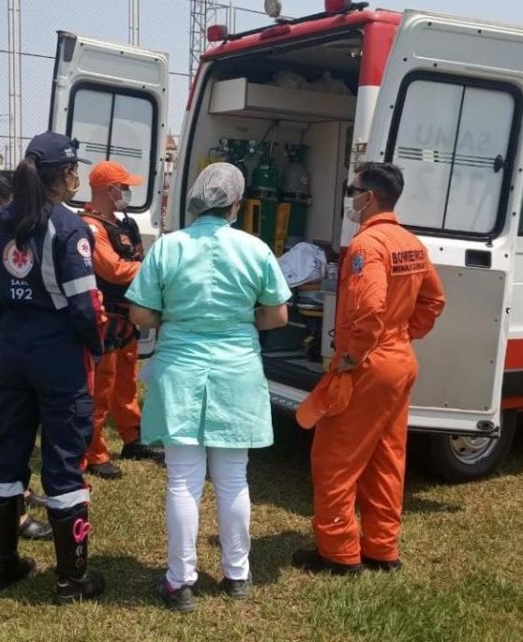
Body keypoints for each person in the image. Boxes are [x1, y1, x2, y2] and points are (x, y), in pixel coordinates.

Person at [127, 162, 291, 613]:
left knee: (183, 478)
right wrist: (240, 321)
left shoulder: (168, 247)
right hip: (237, 367)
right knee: (233, 477)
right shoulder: (255, 249)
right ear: (236, 204)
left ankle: (181, 581)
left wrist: (175, 320)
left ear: (197, 200)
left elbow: (140, 314)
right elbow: (277, 315)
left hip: (179, 365)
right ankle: (237, 574)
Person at [0, 131, 106, 604]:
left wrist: (15, 316)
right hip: (58, 356)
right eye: (75, 169)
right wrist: (96, 347)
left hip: (11, 354)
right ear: (64, 175)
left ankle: (1, 567)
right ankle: (72, 580)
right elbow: (85, 309)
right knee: (64, 465)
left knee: (6, 457)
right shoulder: (69, 227)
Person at [292, 162, 445, 575]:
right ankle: (381, 548)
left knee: (334, 459)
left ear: (369, 197)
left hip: (369, 364)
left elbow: (371, 306)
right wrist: (403, 335)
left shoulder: (367, 246)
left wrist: (353, 356)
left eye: (351, 190)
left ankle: (338, 553)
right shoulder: (411, 242)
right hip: (398, 361)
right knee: (386, 458)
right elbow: (434, 301)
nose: (350, 198)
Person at [0, 166, 50, 540]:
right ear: (2, 201)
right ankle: (14, 514)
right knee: (15, 428)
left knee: (18, 425)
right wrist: (11, 312)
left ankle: (20, 492)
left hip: (8, 340)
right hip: (11, 341)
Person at [80, 160, 163, 480]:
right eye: (123, 186)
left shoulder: (118, 223)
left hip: (126, 316)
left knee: (126, 383)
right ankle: (94, 452)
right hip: (104, 318)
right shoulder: (91, 227)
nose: (127, 192)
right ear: (108, 189)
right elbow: (112, 269)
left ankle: (133, 437)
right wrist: (156, 268)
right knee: (101, 388)